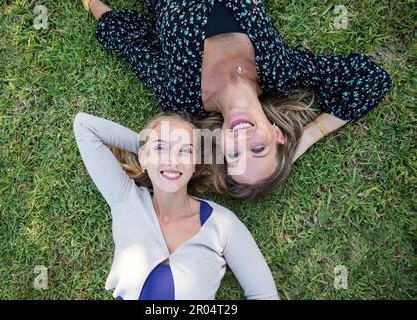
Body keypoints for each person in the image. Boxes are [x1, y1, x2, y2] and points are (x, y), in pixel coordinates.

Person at [82, 0, 392, 200]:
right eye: (258, 148)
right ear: (277, 133)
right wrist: (307, 137)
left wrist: (92, 3)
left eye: (234, 154)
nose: (243, 140)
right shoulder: (280, 70)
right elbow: (370, 81)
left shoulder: (181, 93)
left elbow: (132, 43)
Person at [73, 111, 279, 299]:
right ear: (142, 158)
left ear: (195, 165)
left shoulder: (222, 224)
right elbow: (84, 125)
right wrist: (148, 150)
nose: (172, 159)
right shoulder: (125, 198)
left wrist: (155, 152)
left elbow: (265, 295)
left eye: (185, 151)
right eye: (162, 148)